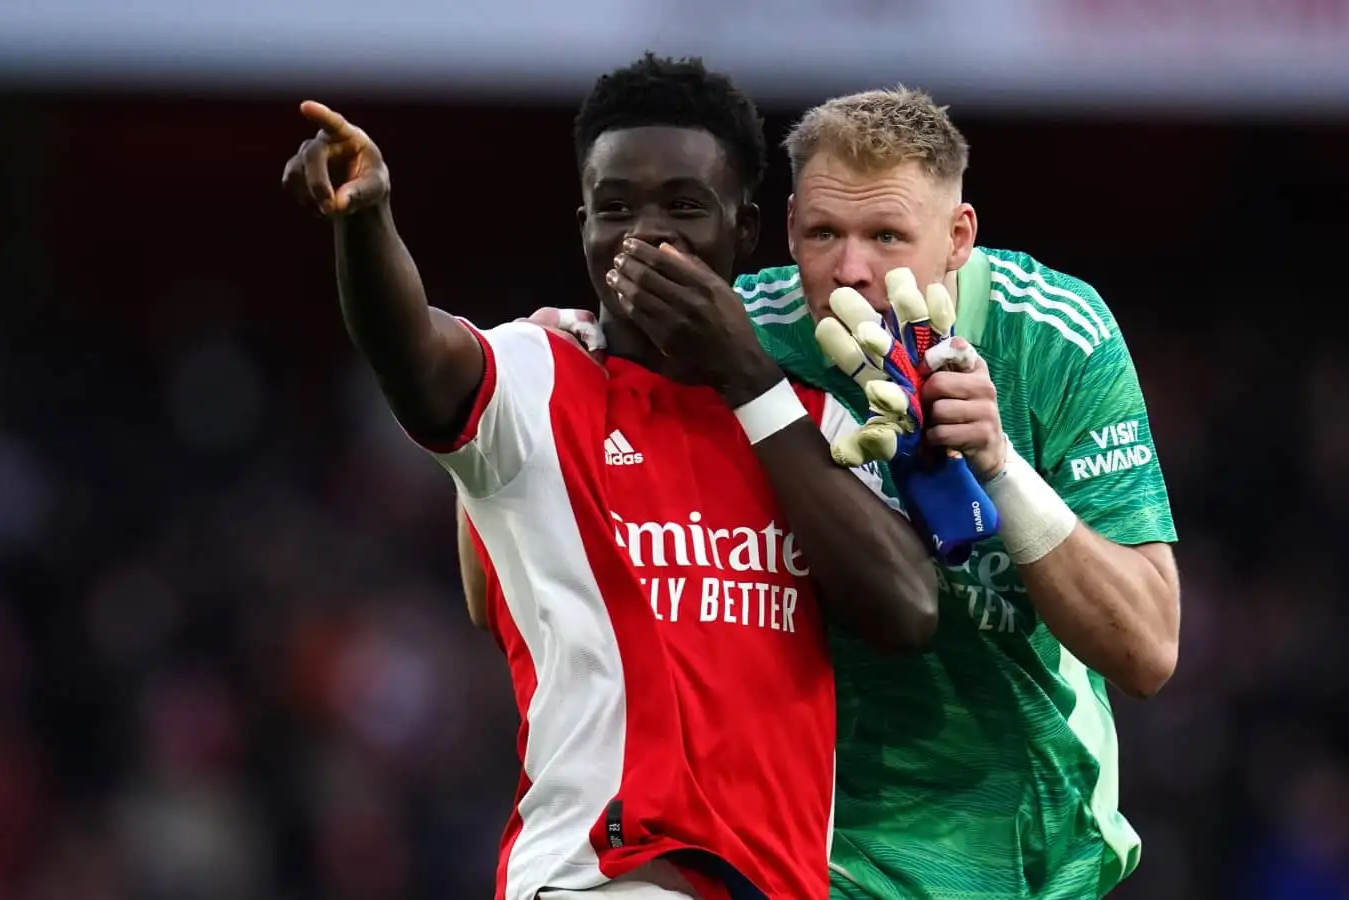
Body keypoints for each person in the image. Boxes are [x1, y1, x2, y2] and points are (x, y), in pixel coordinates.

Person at [280, 55, 939, 900]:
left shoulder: (817, 424)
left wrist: (746, 377)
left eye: (684, 206)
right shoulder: (533, 378)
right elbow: (412, 351)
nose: (646, 234)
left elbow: (908, 612)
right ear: (584, 224)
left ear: (743, 230)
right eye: (616, 207)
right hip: (598, 877)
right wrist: (366, 221)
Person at [733, 87, 1183, 899]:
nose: (851, 270)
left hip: (1025, 846)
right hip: (810, 846)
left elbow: (1147, 648)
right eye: (824, 234)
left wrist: (1000, 461)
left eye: (888, 237)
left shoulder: (1052, 335)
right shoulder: (743, 333)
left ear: (959, 238)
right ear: (790, 222)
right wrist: (553, 354)